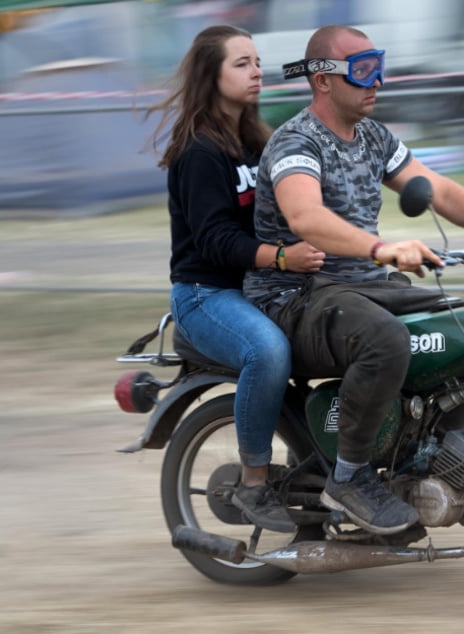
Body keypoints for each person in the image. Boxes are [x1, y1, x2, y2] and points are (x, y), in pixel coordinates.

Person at [243, 24, 464, 536]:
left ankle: (419, 455)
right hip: (297, 296)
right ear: (324, 80)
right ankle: (349, 477)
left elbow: (437, 189)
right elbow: (305, 216)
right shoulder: (296, 141)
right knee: (386, 340)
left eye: (379, 66)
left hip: (364, 288)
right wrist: (383, 248)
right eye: (362, 70)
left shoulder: (373, 136)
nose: (377, 81)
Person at [148, 24, 325, 532]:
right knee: (266, 351)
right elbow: (214, 241)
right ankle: (252, 482)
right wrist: (283, 259)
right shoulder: (200, 152)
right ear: (212, 74)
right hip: (206, 295)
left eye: (257, 62)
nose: (257, 72)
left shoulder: (257, 140)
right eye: (241, 63)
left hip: (257, 286)